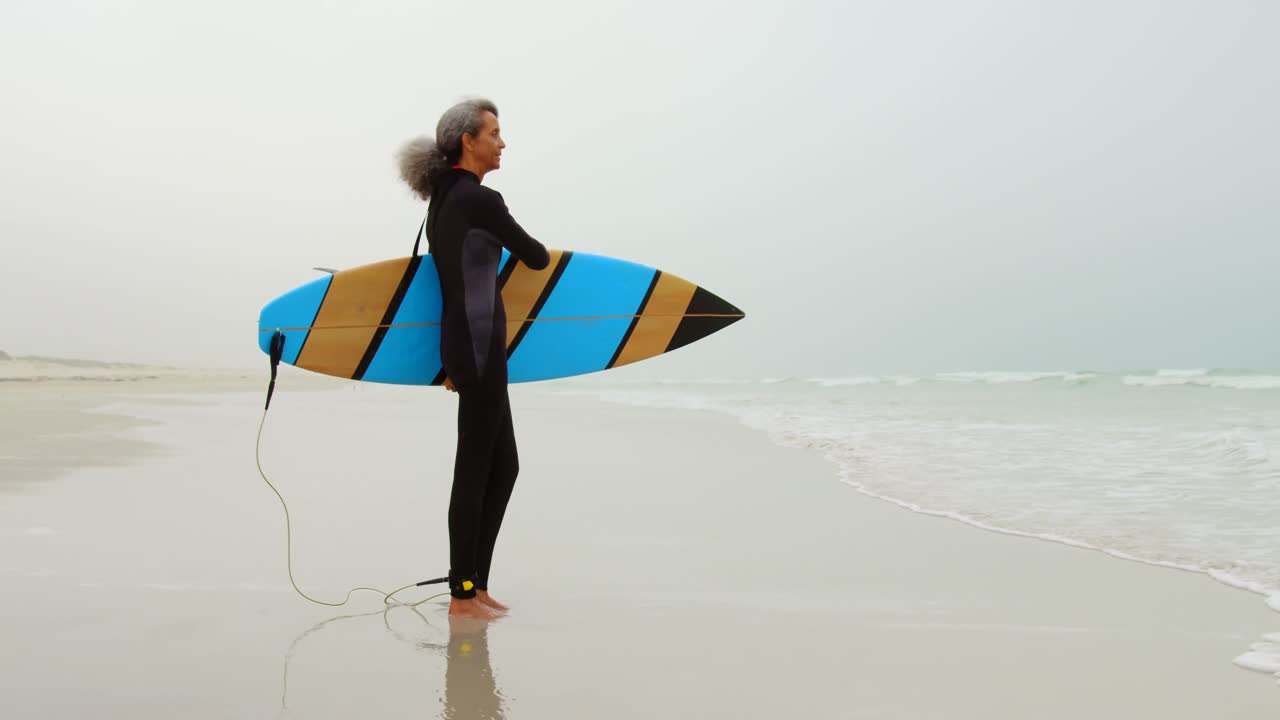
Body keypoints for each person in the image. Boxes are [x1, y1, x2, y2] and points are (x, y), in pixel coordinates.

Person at [398, 99, 550, 620]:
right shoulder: (482, 201)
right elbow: (536, 257)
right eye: (495, 132)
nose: (502, 142)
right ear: (469, 140)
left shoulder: (440, 203)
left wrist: (447, 361)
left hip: (466, 349)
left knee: (502, 466)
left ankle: (475, 584)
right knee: (475, 469)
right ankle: (462, 595)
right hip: (481, 349)